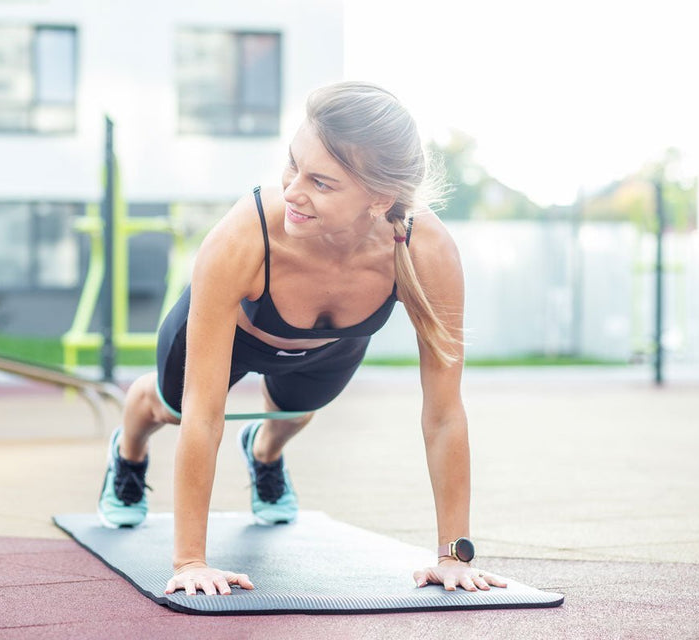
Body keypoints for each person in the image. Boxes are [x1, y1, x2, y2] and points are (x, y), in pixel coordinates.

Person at [97, 80, 507, 596]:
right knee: (174, 408)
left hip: (327, 347)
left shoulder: (425, 250)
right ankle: (129, 450)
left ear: (379, 198)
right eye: (293, 164)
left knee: (294, 412)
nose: (292, 190)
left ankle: (264, 453)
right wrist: (190, 562)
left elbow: (444, 412)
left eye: (321, 182)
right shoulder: (242, 237)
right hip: (238, 334)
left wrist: (453, 555)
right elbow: (206, 413)